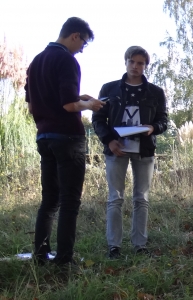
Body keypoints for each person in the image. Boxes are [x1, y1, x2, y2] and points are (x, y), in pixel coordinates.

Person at [24, 17, 102, 266]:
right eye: (84, 43)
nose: (82, 49)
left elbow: (33, 104)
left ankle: (40, 255)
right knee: (70, 200)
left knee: (49, 201)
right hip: (68, 137)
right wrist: (90, 104)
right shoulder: (67, 60)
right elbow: (69, 105)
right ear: (75, 36)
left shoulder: (36, 61)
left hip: (44, 136)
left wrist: (79, 97)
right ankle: (65, 259)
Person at [92, 46, 169, 258]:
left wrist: (154, 128)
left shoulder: (155, 92)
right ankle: (114, 246)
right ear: (125, 62)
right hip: (116, 148)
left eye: (140, 63)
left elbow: (163, 120)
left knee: (141, 198)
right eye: (132, 62)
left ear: (146, 66)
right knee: (115, 198)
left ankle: (140, 245)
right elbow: (98, 120)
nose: (136, 67)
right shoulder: (109, 89)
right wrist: (109, 141)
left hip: (144, 149)